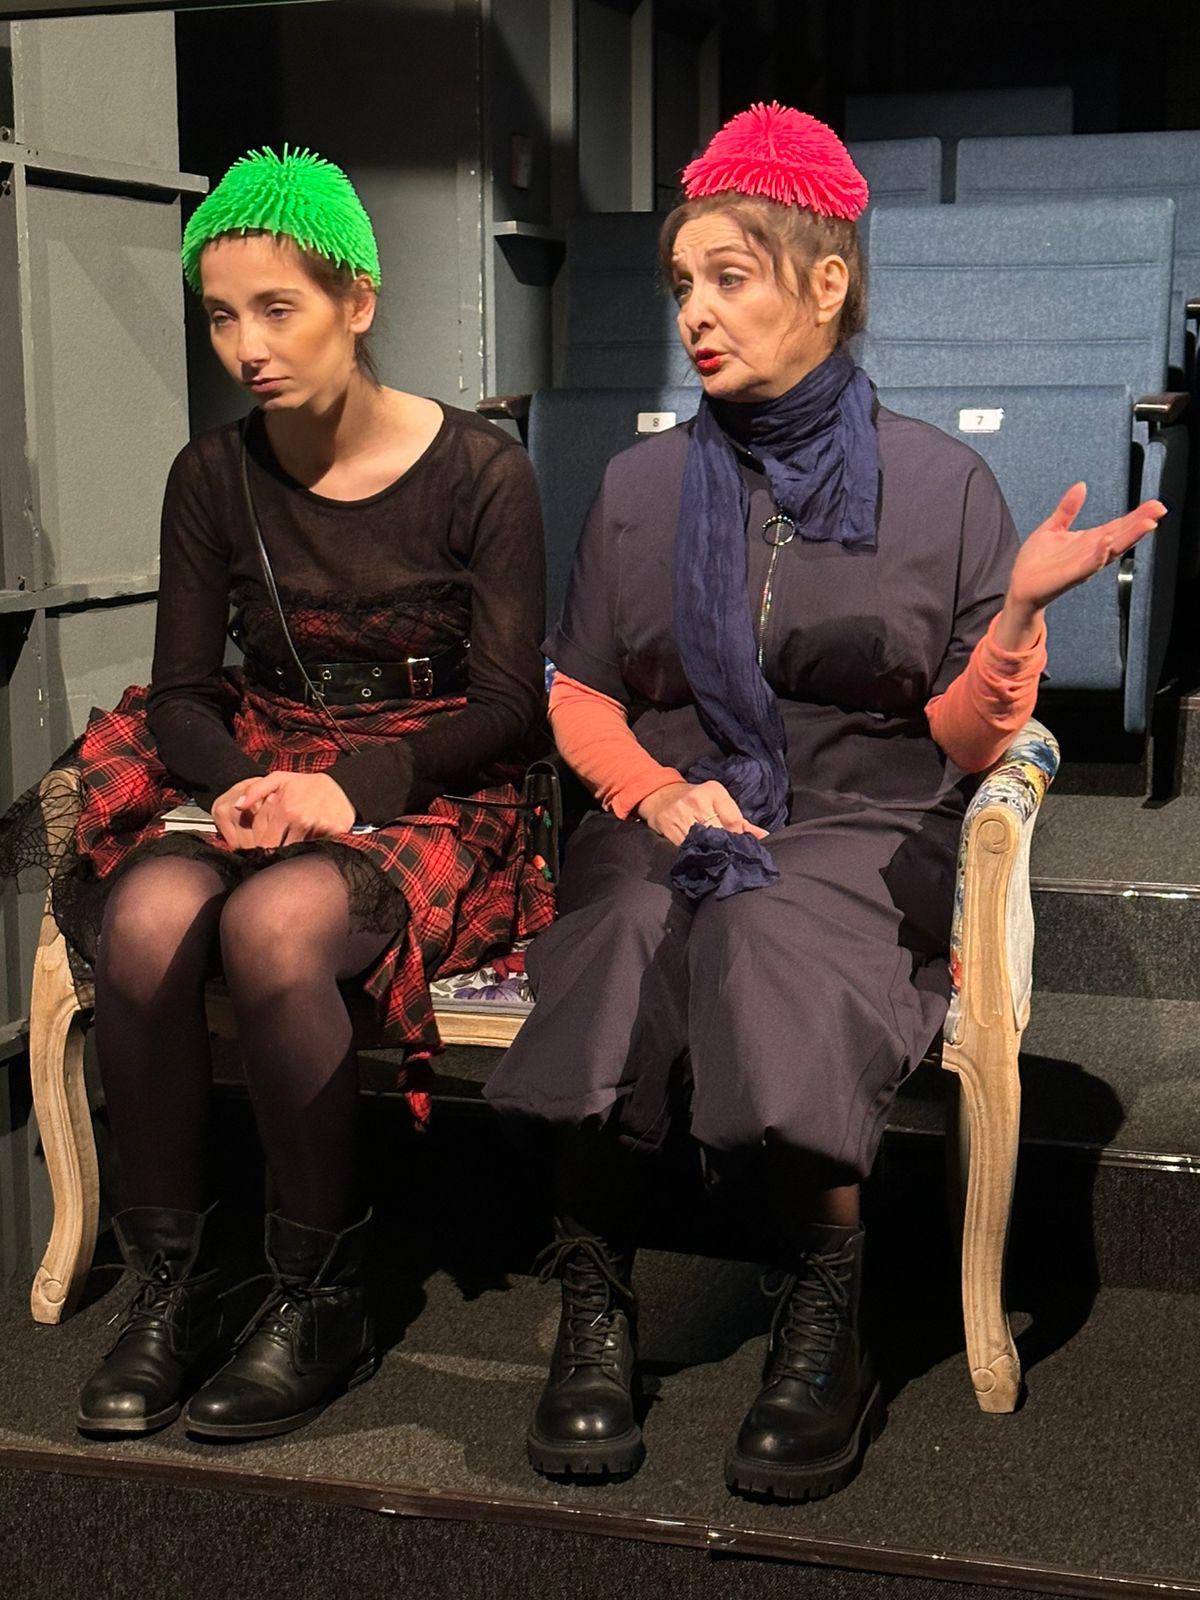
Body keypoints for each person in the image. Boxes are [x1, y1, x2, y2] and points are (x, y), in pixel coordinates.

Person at [483, 104, 1163, 1500]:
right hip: (675, 810)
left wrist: (1017, 617)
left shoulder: (938, 482)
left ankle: (822, 1313)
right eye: (681, 283)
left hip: (863, 818)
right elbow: (581, 691)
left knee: (771, 930)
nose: (694, 312)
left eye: (728, 277)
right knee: (620, 938)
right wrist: (655, 797)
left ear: (826, 282)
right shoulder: (640, 485)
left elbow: (967, 735)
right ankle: (595, 1301)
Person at [7, 147, 552, 1440]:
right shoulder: (211, 475)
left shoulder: (484, 472)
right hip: (268, 755)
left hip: (438, 777)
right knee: (144, 917)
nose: (246, 347)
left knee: (270, 926)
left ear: (357, 301)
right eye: (220, 316)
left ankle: (319, 1294)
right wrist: (250, 785)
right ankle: (176, 1286)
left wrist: (347, 792)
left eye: (277, 309)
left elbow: (508, 708)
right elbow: (184, 696)